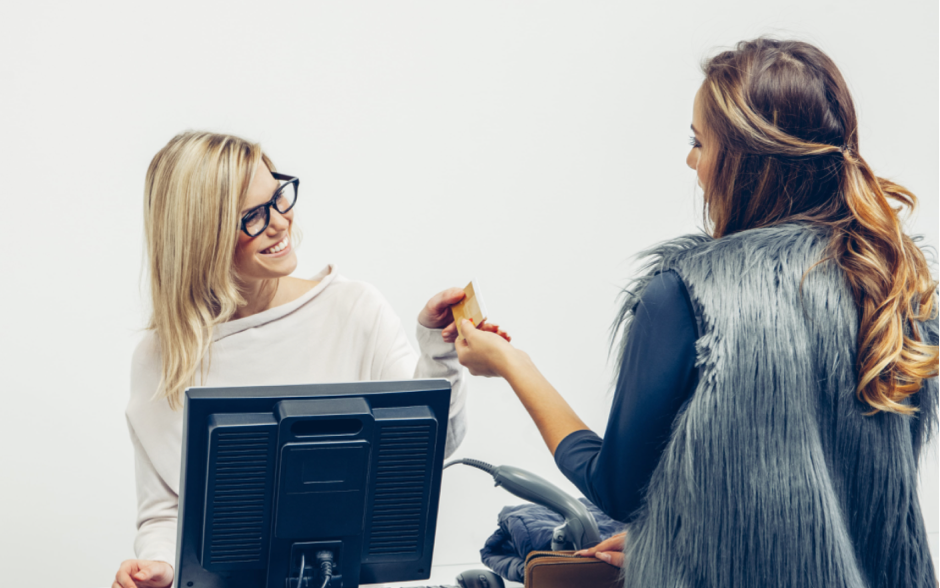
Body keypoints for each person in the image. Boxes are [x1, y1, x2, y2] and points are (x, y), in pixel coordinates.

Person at [455, 38, 939, 588]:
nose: (691, 160)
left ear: (744, 159)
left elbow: (617, 487)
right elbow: (848, 503)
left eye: (698, 141)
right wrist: (678, 536)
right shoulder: (894, 288)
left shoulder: (686, 292)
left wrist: (511, 363)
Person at [112, 131, 508, 588]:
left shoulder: (353, 309)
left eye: (278, 197)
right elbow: (165, 510)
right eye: (253, 217)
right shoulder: (160, 358)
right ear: (202, 236)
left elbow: (427, 448)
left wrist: (438, 351)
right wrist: (159, 565)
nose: (280, 222)